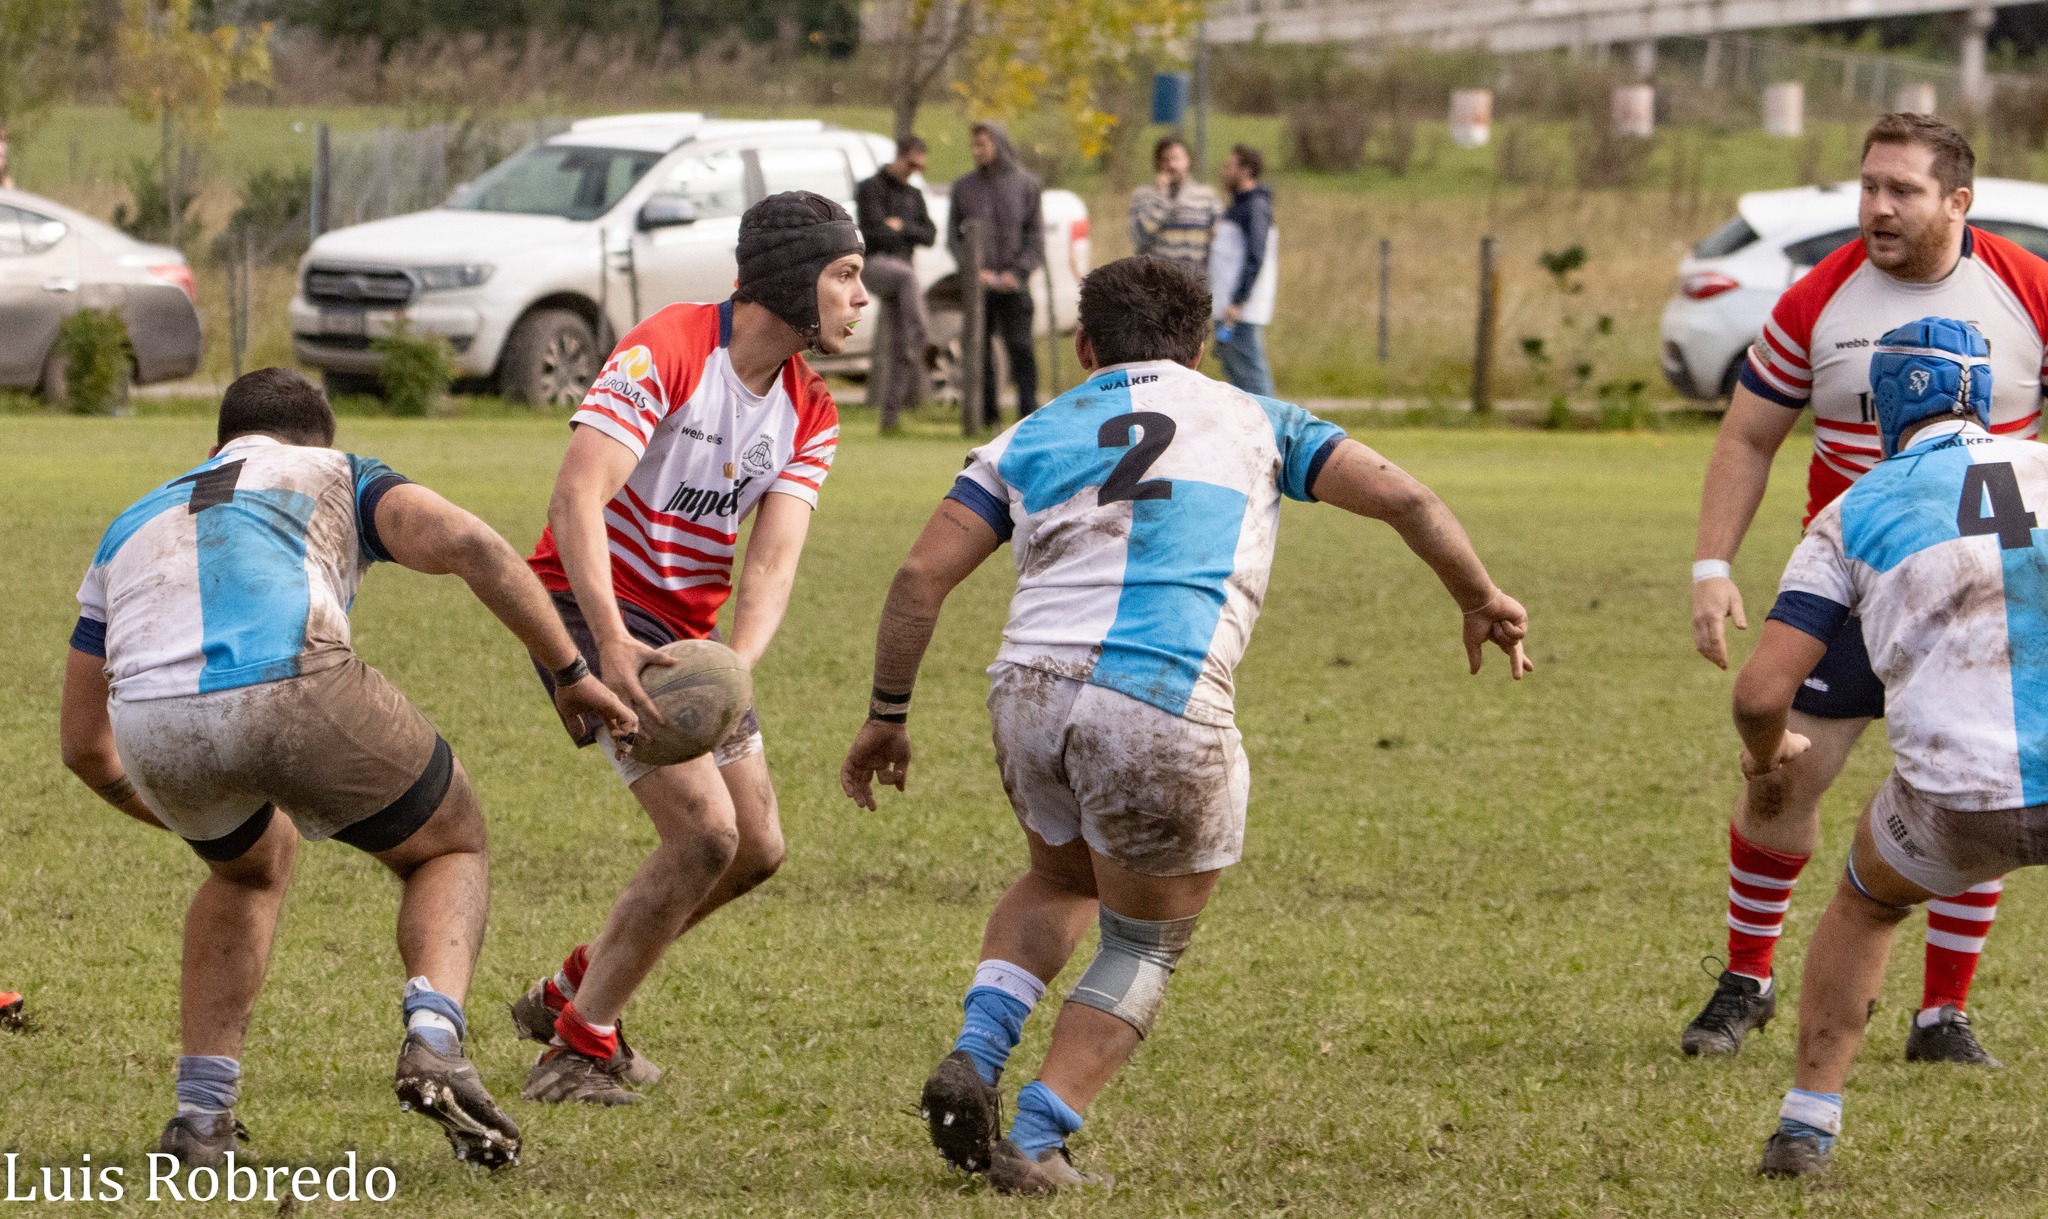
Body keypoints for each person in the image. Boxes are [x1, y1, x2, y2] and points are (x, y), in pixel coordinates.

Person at [839, 256, 1531, 1195]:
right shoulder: (1256, 417)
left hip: (1028, 691)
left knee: (1060, 874)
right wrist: (1479, 594)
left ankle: (976, 1047)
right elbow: (1406, 497)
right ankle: (1039, 1136)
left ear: (1084, 346)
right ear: (1201, 347)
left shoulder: (1028, 434)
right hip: (1158, 693)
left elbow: (920, 577)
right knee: (1144, 940)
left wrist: (887, 715)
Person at [56, 367, 635, 1169]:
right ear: (316, 439)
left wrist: (177, 809)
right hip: (289, 680)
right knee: (449, 841)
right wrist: (572, 672)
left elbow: (83, 743)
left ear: (216, 445)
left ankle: (201, 1117)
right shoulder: (335, 471)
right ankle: (434, 1040)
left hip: (152, 723)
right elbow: (469, 543)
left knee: (248, 866)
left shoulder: (130, 521)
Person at [1684, 112, 2048, 1064]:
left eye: (1903, 190)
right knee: (1781, 775)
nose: (1877, 207)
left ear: (1956, 201)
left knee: (1978, 778)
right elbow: (1747, 437)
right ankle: (1747, 978)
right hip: (1852, 578)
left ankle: (1943, 1013)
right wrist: (1712, 566)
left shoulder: (2029, 290)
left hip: (1981, 581)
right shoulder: (1820, 296)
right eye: (1869, 185)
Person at [511, 192, 861, 1104]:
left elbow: (774, 561)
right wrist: (610, 647)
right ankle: (580, 1044)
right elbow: (575, 499)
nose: (861, 298)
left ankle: (572, 990)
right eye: (846, 275)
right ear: (792, 280)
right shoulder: (668, 345)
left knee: (757, 848)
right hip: (587, 606)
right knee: (706, 833)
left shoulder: (810, 408)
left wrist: (733, 666)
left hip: (683, 635)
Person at [1736, 317, 2048, 1179]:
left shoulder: (1854, 508)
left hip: (1955, 802)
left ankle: (1807, 1125)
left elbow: (1761, 692)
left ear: (1886, 406)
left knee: (1867, 905)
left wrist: (1768, 755)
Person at [949, 120, 1044, 427]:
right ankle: (986, 416)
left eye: (982, 144)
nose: (976, 151)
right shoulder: (964, 188)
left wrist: (1017, 272)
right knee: (980, 352)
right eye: (973, 145)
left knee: (1020, 348)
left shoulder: (1026, 185)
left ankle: (1028, 417)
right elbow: (954, 236)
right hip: (980, 286)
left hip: (1014, 284)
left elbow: (1035, 237)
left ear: (998, 144)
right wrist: (973, 270)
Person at [856, 135, 937, 432]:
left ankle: (889, 420)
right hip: (877, 265)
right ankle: (924, 335)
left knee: (902, 347)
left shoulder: (914, 195)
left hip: (903, 272)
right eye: (912, 164)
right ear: (902, 157)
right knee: (907, 276)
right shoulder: (871, 188)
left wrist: (901, 226)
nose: (915, 171)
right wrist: (902, 232)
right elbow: (872, 233)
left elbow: (930, 235)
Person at [1210, 144, 1277, 397]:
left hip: (1239, 309)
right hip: (1228, 304)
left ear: (1246, 171)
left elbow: (1255, 255)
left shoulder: (1255, 206)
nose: (1223, 171)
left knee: (1252, 374)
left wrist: (1238, 300)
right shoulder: (1237, 206)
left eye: (1230, 166)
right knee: (1236, 372)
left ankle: (1273, 431)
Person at [1128, 134, 1222, 277]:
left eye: (1176, 158)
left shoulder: (1207, 197)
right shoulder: (1143, 196)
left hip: (1193, 284)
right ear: (1158, 163)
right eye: (1165, 160)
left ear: (1187, 160)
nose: (1171, 165)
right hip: (1155, 285)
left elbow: (1218, 243)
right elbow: (1139, 237)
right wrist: (1161, 196)